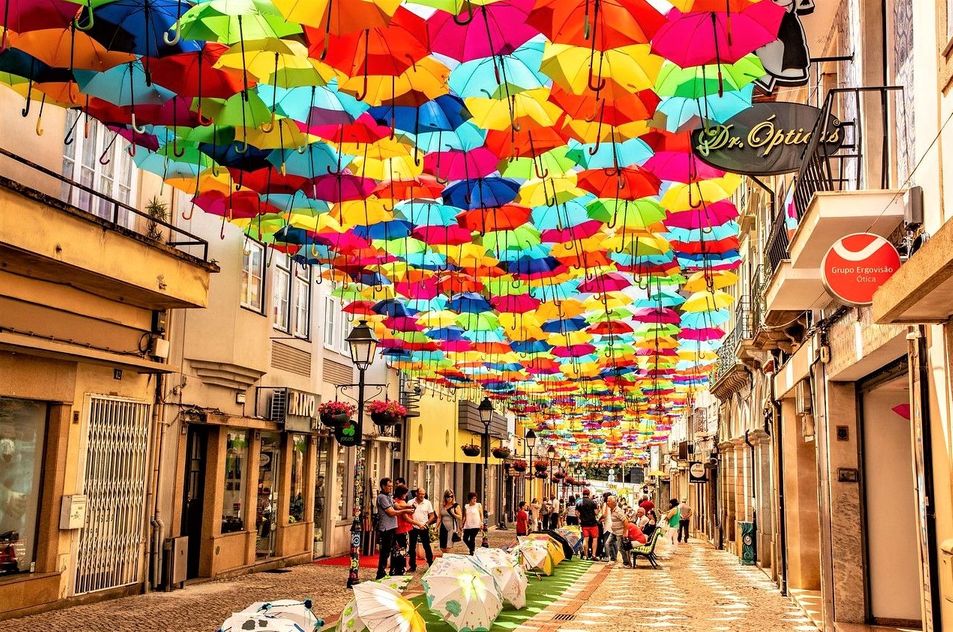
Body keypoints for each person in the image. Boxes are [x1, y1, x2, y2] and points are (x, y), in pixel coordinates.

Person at [376, 478, 413, 580]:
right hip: (386, 528)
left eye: (391, 486)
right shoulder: (382, 497)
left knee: (393, 550)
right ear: (383, 486)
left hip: (392, 527)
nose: (391, 488)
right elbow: (391, 512)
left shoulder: (389, 496)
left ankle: (392, 570)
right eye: (389, 486)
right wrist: (406, 511)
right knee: (385, 552)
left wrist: (409, 507)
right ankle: (380, 573)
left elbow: (397, 506)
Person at [391, 484, 418, 575]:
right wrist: (417, 524)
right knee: (403, 549)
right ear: (402, 494)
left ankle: (395, 568)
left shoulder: (396, 501)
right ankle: (401, 568)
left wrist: (409, 507)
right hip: (403, 528)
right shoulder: (401, 502)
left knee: (397, 549)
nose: (406, 495)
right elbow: (406, 517)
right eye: (405, 493)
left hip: (398, 528)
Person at [409, 488, 436, 571]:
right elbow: (406, 514)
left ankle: (430, 563)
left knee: (426, 546)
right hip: (413, 526)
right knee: (412, 547)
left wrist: (427, 523)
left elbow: (432, 515)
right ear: (416, 493)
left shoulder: (427, 503)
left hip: (424, 526)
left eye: (423, 494)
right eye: (420, 494)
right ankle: (412, 566)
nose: (422, 496)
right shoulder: (410, 502)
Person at [601, 495, 626, 563]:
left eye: (609, 501)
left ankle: (626, 562)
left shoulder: (618, 511)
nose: (607, 502)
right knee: (608, 543)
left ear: (613, 503)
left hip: (619, 532)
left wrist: (624, 532)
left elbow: (625, 521)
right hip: (614, 531)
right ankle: (613, 558)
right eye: (607, 501)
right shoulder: (611, 509)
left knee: (621, 548)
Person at [576, 488, 599, 560]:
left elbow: (576, 513)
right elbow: (596, 513)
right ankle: (593, 555)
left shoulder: (579, 502)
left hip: (584, 524)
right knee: (595, 539)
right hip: (593, 524)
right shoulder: (592, 502)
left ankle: (586, 555)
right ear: (588, 494)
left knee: (586, 539)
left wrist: (581, 518)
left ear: (582, 494)